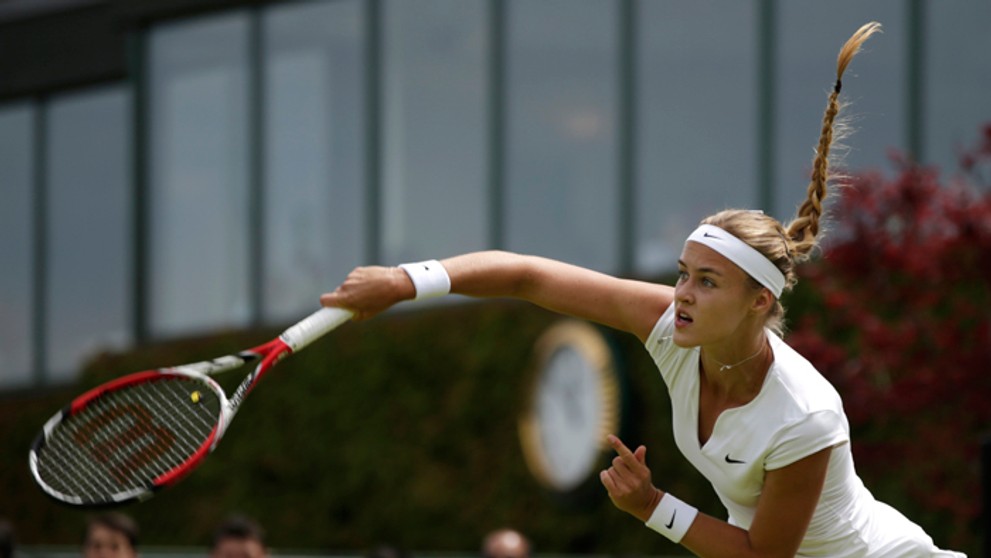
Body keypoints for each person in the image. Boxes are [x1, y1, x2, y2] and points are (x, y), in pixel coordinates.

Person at [320, 21, 966, 558]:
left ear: (758, 302)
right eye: (683, 273)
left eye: (705, 282)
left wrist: (650, 506)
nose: (680, 293)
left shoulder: (804, 415)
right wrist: (407, 280)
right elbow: (527, 274)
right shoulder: (667, 322)